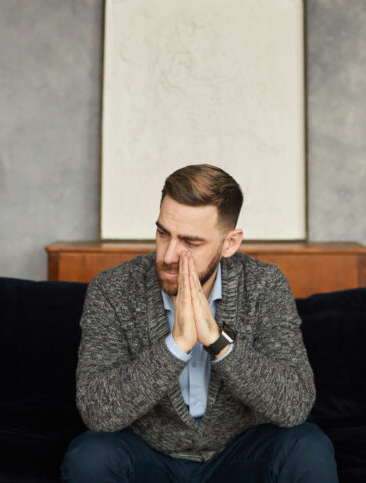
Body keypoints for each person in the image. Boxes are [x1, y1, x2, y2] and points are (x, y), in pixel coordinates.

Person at [61, 164, 338, 482]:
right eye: (163, 233)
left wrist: (218, 343)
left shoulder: (265, 285)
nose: (167, 255)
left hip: (237, 457)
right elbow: (96, 411)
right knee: (90, 455)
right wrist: (175, 347)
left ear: (230, 243)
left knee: (307, 446)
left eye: (190, 243)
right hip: (147, 457)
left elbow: (294, 404)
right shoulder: (113, 289)